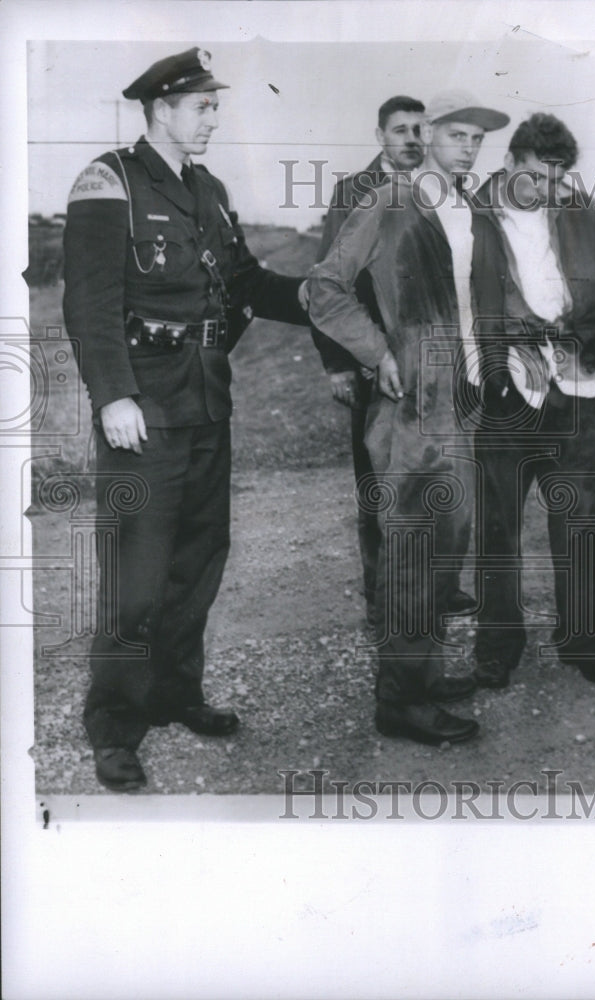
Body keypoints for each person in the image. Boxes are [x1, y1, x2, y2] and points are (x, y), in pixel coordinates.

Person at [63, 47, 311, 791]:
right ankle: (114, 724)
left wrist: (326, 297)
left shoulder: (208, 189)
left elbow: (246, 285)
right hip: (143, 410)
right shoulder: (109, 181)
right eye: (201, 106)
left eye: (213, 106)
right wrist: (113, 396)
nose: (212, 118)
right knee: (134, 582)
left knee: (198, 563)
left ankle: (175, 695)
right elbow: (91, 302)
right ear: (160, 108)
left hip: (206, 403)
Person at [310, 90, 510, 745]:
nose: (467, 144)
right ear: (429, 136)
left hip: (463, 393)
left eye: (478, 137)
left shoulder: (467, 210)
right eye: (456, 132)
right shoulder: (388, 202)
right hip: (415, 390)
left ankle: (420, 675)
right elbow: (322, 289)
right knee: (412, 546)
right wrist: (375, 353)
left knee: (445, 545)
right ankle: (400, 701)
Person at [469, 113, 595, 690]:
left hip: (576, 386)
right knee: (499, 524)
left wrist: (582, 342)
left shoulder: (579, 209)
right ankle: (498, 644)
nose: (552, 189)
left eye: (561, 177)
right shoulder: (472, 212)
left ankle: (584, 640)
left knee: (582, 518)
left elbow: (591, 286)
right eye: (539, 176)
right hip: (506, 384)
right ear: (510, 163)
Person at [310, 95, 475, 625]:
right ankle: (385, 595)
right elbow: (331, 282)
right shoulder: (357, 194)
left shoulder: (449, 195)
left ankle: (433, 593)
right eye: (400, 130)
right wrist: (343, 362)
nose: (411, 139)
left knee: (438, 484)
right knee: (379, 483)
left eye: (419, 130)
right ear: (380, 135)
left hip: (435, 370)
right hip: (375, 361)